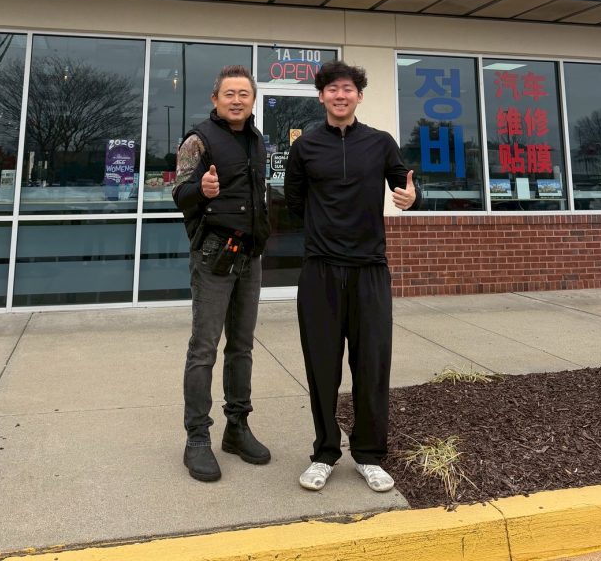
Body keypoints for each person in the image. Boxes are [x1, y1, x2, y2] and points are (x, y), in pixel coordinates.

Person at [284, 60, 421, 493]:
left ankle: (368, 454)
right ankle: (324, 452)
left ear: (359, 96)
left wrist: (412, 196)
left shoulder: (380, 143)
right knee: (322, 368)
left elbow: (406, 186)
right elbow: (293, 201)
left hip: (369, 271)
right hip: (320, 271)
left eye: (348, 89)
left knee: (372, 366)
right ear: (321, 96)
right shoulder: (305, 147)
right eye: (331, 89)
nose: (340, 95)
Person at [172, 64, 271, 482]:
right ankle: (197, 437)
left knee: (242, 347)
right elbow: (179, 194)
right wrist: (202, 190)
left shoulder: (257, 140)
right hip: (213, 256)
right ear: (215, 99)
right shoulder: (198, 140)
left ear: (252, 100)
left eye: (243, 94)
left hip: (249, 255)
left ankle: (237, 427)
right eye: (229, 93)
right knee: (204, 349)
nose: (236, 100)